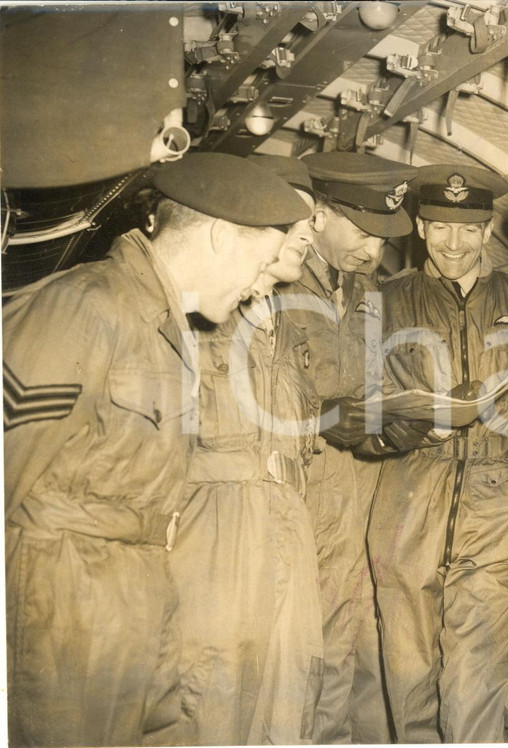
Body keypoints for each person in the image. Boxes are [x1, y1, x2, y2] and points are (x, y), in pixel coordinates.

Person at [3, 153, 309, 747]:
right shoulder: (85, 305)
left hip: (141, 596)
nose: (259, 284)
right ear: (221, 237)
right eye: (264, 260)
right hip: (63, 606)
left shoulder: (166, 329)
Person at [353, 163, 508, 742]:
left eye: (469, 229)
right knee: (409, 673)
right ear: (419, 226)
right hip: (408, 498)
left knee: (474, 680)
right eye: (440, 227)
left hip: (497, 503)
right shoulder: (381, 304)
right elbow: (358, 411)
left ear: (489, 231)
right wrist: (415, 425)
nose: (455, 244)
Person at [167, 154, 325, 745]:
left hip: (287, 516)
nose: (303, 237)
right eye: (290, 225)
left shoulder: (290, 317)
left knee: (289, 700)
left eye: (309, 227)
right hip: (216, 527)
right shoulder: (198, 311)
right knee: (213, 696)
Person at [292, 151, 417, 743]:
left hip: (352, 493)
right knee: (292, 650)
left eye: (384, 236)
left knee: (345, 636)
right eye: (364, 232)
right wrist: (319, 417)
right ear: (318, 216)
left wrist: (401, 420)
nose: (375, 249)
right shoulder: (272, 278)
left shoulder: (367, 290)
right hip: (292, 489)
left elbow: (371, 383)